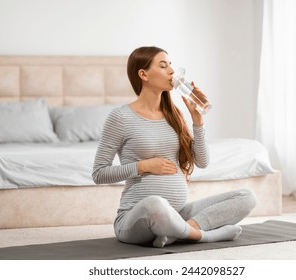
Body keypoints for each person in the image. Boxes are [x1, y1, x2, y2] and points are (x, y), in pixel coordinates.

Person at [92, 46, 257, 247]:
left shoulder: (174, 114)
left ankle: (179, 230)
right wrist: (143, 166)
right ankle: (203, 235)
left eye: (170, 65)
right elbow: (99, 174)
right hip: (136, 218)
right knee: (156, 203)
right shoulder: (120, 117)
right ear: (143, 74)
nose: (171, 71)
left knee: (246, 197)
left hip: (178, 213)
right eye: (163, 66)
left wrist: (197, 121)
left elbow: (202, 162)